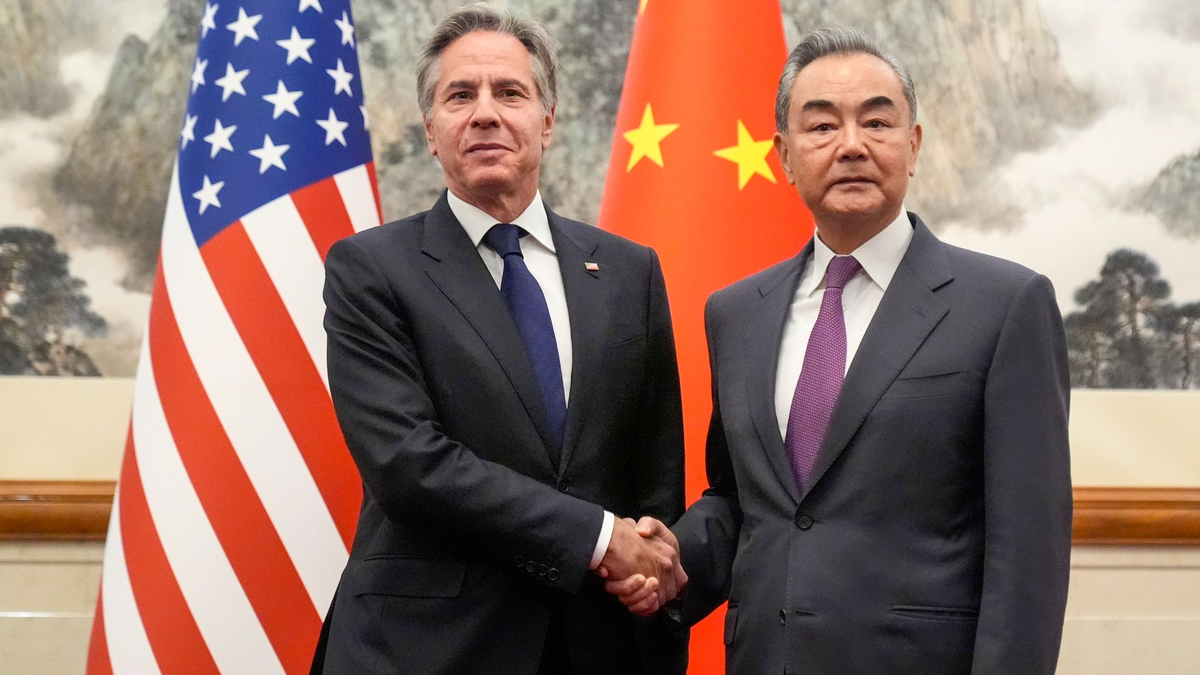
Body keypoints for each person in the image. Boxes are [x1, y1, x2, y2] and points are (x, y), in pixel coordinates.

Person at [609, 25, 1072, 674]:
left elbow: (1030, 554)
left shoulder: (1005, 306)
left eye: (876, 123)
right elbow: (741, 500)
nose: (851, 144)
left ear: (912, 146)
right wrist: (669, 560)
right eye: (822, 126)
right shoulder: (738, 312)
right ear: (784, 155)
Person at [311, 5, 688, 674]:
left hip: (598, 645)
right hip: (426, 647)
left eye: (510, 92)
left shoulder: (630, 271)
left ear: (546, 121)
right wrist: (601, 538)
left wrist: (649, 569)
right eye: (460, 95)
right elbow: (408, 464)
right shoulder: (370, 269)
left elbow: (654, 474)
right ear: (431, 130)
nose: (485, 112)